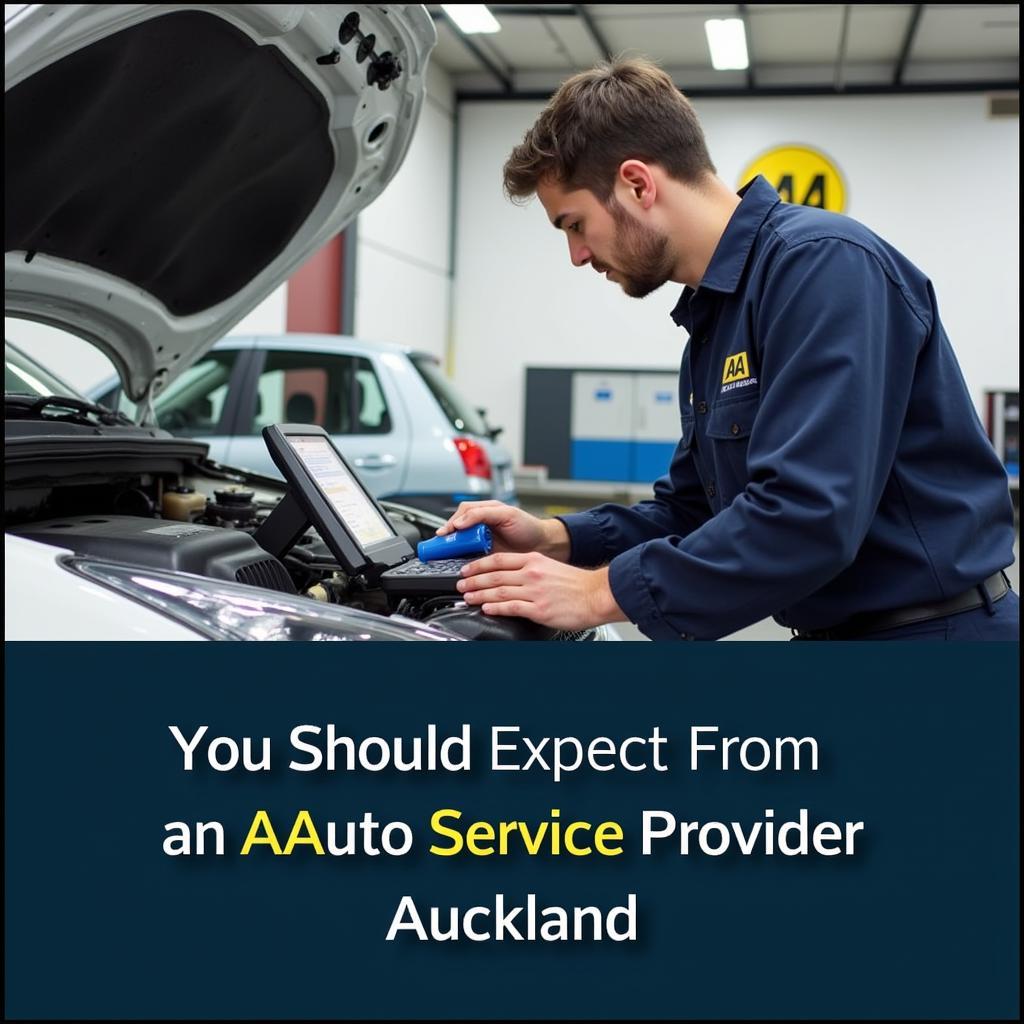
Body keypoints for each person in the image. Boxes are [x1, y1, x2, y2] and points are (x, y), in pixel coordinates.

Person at [438, 58, 1018, 641]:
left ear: (637, 184)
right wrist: (556, 537)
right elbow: (693, 511)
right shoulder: (715, 316)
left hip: (935, 643)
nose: (577, 255)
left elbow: (808, 518)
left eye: (575, 224)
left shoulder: (822, 267)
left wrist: (595, 592)